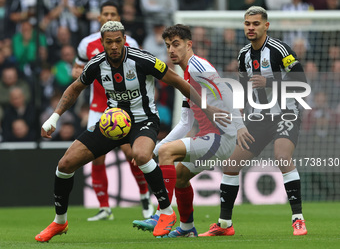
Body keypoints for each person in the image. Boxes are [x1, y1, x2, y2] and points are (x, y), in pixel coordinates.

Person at [35, 21, 227, 242]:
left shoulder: (142, 60)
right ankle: (60, 222)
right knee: (64, 165)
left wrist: (206, 106)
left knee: (142, 155)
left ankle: (165, 212)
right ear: (103, 43)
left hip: (143, 121)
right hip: (112, 123)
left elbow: (175, 80)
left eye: (118, 41)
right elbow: (75, 87)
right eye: (109, 42)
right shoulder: (96, 63)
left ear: (124, 40)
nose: (114, 46)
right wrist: (54, 117)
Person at [132, 24, 250, 237]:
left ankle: (162, 214)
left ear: (189, 45)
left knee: (168, 153)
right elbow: (185, 123)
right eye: (168, 46)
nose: (171, 50)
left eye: (176, 45)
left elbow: (226, 93)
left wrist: (240, 126)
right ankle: (187, 229)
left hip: (220, 136)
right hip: (213, 137)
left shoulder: (198, 66)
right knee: (179, 178)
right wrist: (154, 150)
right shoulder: (186, 75)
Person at [199, 6, 308, 236]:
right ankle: (225, 225)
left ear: (266, 26)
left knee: (282, 156)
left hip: (285, 113)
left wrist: (269, 84)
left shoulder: (280, 50)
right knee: (230, 166)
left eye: (256, 24)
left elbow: (301, 83)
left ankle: (298, 219)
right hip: (258, 117)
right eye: (248, 23)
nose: (251, 27)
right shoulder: (243, 55)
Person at [72, 0, 154, 221]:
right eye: (105, 14)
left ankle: (145, 197)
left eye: (113, 14)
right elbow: (77, 66)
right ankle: (104, 208)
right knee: (97, 157)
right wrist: (77, 73)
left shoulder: (131, 43)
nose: (109, 17)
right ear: (99, 18)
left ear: (119, 18)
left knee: (130, 154)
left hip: (124, 108)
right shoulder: (86, 44)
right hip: (98, 107)